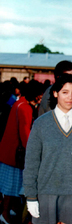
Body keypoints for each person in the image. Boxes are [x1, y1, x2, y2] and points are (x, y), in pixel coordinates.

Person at [23, 74, 72, 224]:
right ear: (55, 93)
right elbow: (31, 162)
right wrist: (31, 196)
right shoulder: (41, 124)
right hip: (47, 193)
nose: (70, 98)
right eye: (65, 92)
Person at [0, 82, 42, 224]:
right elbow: (25, 133)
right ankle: (5, 213)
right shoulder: (25, 108)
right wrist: (33, 151)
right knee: (11, 186)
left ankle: (8, 211)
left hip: (8, 150)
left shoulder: (19, 103)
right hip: (15, 153)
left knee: (8, 186)